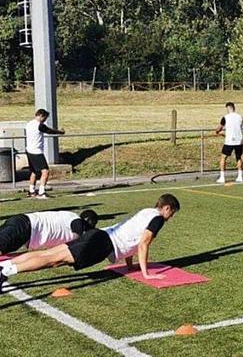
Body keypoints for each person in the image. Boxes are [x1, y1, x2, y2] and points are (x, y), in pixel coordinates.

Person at [0, 195, 180, 286]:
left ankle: (5, 266)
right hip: (101, 243)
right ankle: (7, 271)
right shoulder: (157, 219)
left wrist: (130, 265)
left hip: (99, 236)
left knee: (49, 254)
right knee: (53, 260)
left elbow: (131, 237)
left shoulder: (146, 212)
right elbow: (143, 244)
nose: (170, 217)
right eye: (171, 213)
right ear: (166, 208)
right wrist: (145, 272)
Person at [0, 209, 98, 255]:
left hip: (24, 224)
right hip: (26, 227)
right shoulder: (77, 221)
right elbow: (76, 241)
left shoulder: (69, 216)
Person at [24, 109, 65, 199]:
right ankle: (42, 191)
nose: (45, 120)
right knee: (45, 171)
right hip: (36, 151)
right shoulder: (39, 125)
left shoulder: (29, 123)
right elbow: (49, 131)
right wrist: (60, 132)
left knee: (34, 171)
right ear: (41, 116)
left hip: (29, 150)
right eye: (45, 118)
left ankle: (31, 191)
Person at [215, 102, 243, 184]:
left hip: (229, 141)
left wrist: (217, 131)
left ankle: (222, 177)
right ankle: (240, 176)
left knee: (223, 157)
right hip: (239, 140)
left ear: (228, 108)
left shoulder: (225, 117)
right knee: (239, 157)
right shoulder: (240, 117)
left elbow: (219, 128)